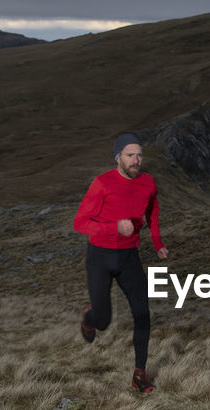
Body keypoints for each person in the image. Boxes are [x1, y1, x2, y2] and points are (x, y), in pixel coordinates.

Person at [72, 132, 168, 393]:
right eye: (130, 155)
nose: (136, 160)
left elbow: (153, 212)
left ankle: (140, 374)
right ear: (118, 158)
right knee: (103, 321)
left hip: (128, 258)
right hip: (100, 257)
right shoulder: (102, 183)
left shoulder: (148, 183)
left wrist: (157, 242)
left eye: (139, 155)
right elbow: (80, 223)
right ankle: (89, 317)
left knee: (142, 314)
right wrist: (115, 227)